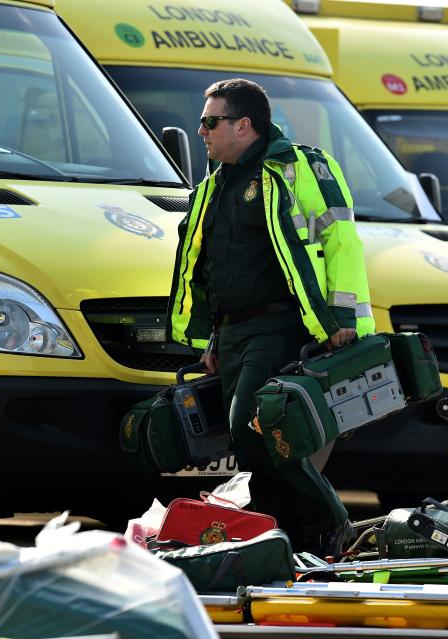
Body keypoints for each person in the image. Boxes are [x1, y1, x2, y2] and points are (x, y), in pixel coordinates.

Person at [168, 78, 374, 556]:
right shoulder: (214, 184)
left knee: (251, 426)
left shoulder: (300, 167)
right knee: (255, 445)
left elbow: (341, 242)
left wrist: (340, 317)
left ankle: (333, 521)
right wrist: (212, 338)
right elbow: (213, 267)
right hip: (235, 332)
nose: (200, 131)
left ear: (244, 125)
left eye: (209, 121)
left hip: (282, 324)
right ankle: (283, 539)